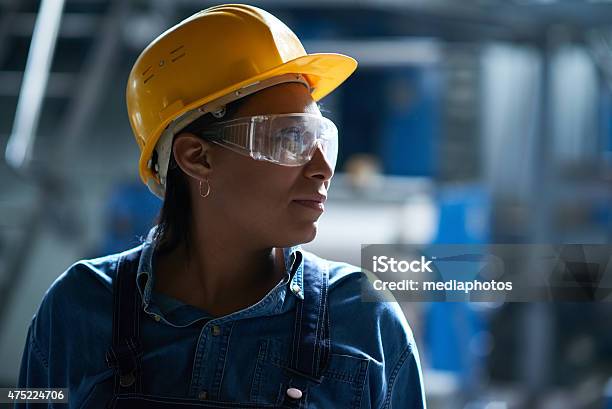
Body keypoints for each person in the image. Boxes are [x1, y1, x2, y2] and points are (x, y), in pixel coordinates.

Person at [16, 4, 426, 408]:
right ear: (197, 157)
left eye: (322, 140)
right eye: (290, 139)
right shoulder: (78, 309)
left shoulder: (365, 325)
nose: (322, 169)